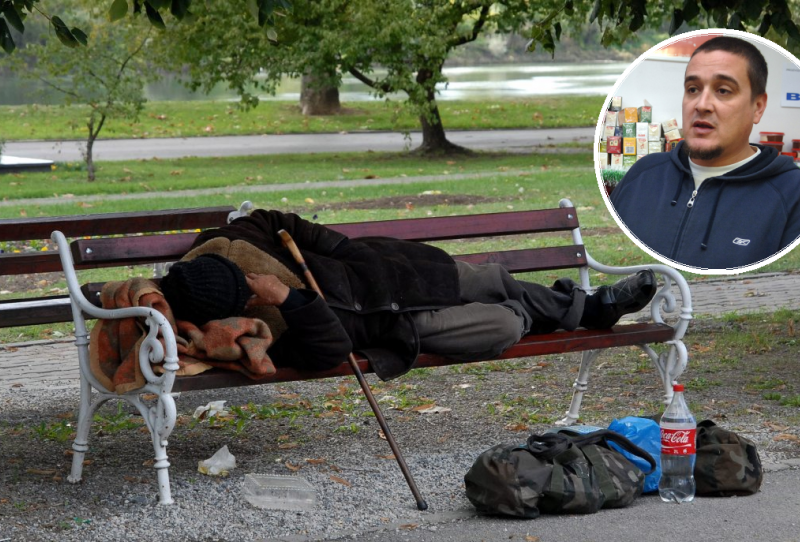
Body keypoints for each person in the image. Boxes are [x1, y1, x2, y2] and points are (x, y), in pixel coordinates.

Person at [160, 209, 656, 380]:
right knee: (503, 322)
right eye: (245, 298)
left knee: (491, 279)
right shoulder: (253, 334)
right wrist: (289, 300)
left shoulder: (232, 242)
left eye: (246, 280)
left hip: (385, 276)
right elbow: (330, 350)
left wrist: (345, 251)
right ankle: (548, 313)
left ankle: (593, 308)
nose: (252, 292)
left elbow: (279, 222)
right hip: (392, 326)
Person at [610, 36, 800, 270]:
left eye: (723, 90)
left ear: (757, 107)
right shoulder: (643, 175)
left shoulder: (792, 195)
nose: (702, 104)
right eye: (693, 89)